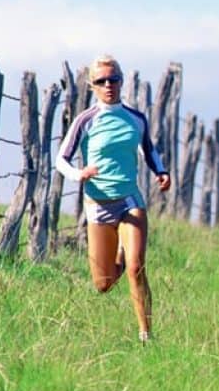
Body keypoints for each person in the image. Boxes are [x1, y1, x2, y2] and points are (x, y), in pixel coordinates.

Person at [56, 54, 172, 343]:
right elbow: (61, 159)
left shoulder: (135, 118)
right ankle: (119, 253)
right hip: (98, 206)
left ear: (122, 82)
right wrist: (78, 173)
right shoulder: (86, 120)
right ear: (92, 85)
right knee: (104, 284)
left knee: (136, 268)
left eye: (114, 80)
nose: (109, 85)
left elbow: (149, 149)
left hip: (130, 200)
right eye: (101, 81)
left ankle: (146, 335)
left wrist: (162, 171)